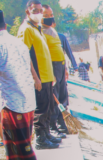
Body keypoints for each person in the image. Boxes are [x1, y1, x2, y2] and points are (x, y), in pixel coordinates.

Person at [0, 8, 49, 160]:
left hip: (12, 100)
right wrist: (36, 80)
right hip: (27, 98)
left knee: (21, 144)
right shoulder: (18, 43)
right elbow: (29, 65)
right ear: (4, 26)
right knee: (22, 140)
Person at [18, 0, 61, 149]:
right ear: (28, 12)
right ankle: (40, 139)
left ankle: (46, 133)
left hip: (47, 76)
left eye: (39, 10)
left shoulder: (37, 29)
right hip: (39, 77)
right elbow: (24, 55)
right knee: (41, 109)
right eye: (34, 10)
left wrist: (52, 75)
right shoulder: (26, 30)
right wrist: (34, 77)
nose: (38, 13)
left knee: (48, 108)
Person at [41, 5, 69, 137]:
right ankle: (53, 126)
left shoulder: (52, 30)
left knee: (63, 94)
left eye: (50, 15)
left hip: (61, 66)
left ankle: (62, 121)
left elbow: (59, 49)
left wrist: (65, 67)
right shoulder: (40, 31)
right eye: (45, 16)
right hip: (51, 66)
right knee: (54, 96)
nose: (49, 18)